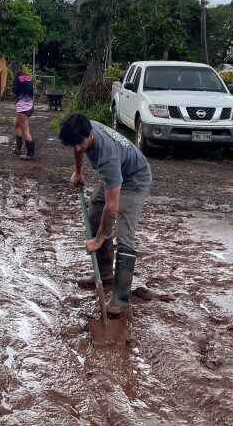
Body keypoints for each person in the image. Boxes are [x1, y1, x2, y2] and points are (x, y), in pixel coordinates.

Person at [58, 112, 151, 316]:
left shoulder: (107, 156)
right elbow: (78, 149)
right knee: (93, 215)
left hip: (135, 180)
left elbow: (112, 207)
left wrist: (99, 239)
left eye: (79, 143)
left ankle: (120, 297)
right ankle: (105, 273)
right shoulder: (84, 129)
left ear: (90, 134)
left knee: (124, 235)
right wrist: (78, 171)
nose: (77, 148)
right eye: (72, 144)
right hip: (118, 175)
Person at [10, 61, 35, 160]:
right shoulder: (28, 77)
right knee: (16, 124)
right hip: (30, 105)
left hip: (22, 107)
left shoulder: (17, 78)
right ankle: (18, 148)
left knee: (25, 131)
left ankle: (30, 154)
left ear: (13, 69)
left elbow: (14, 92)